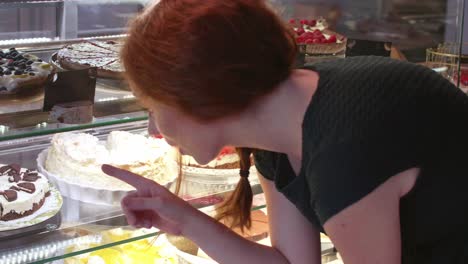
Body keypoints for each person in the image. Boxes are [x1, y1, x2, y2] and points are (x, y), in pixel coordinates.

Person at [101, 0, 468, 263]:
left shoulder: (342, 154)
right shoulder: (281, 123)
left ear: (202, 99)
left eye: (153, 107)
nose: (153, 127)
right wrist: (184, 218)